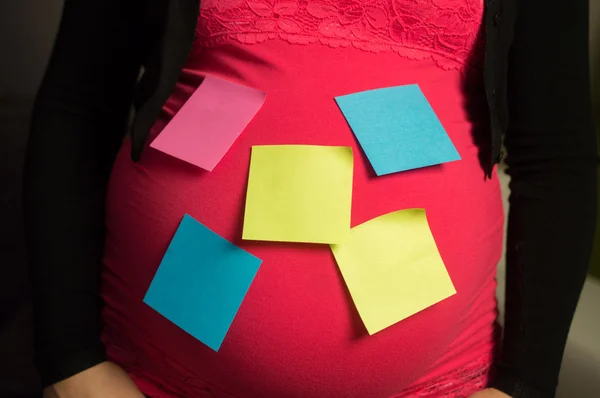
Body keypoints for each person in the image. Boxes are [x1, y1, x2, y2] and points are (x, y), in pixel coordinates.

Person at [24, 0, 596, 397]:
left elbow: (556, 156)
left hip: (442, 380)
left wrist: (524, 384)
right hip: (145, 372)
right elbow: (78, 109)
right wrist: (72, 361)